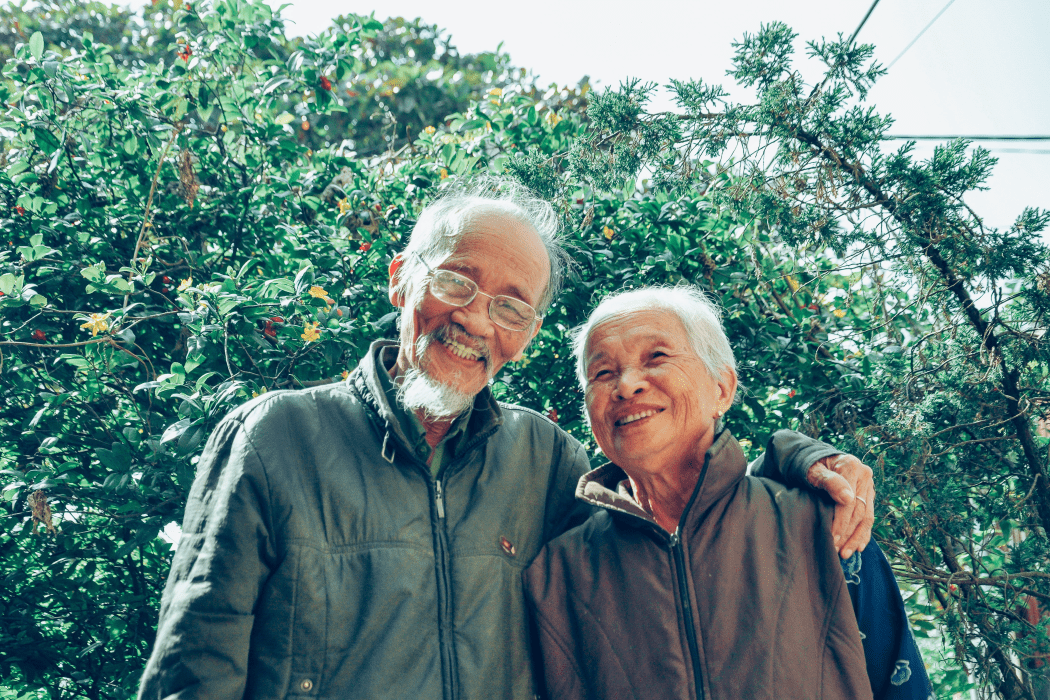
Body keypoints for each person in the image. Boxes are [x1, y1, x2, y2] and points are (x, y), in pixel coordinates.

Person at [138, 179, 876, 700]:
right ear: (402, 280)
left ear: (526, 334)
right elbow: (192, 670)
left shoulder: (547, 460)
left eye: (512, 306)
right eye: (457, 282)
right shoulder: (278, 437)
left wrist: (797, 458)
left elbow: (671, 522)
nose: (478, 321)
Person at [523, 285, 931, 700]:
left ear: (722, 389)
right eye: (603, 372)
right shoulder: (558, 573)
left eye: (657, 357)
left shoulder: (822, 525)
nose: (627, 386)